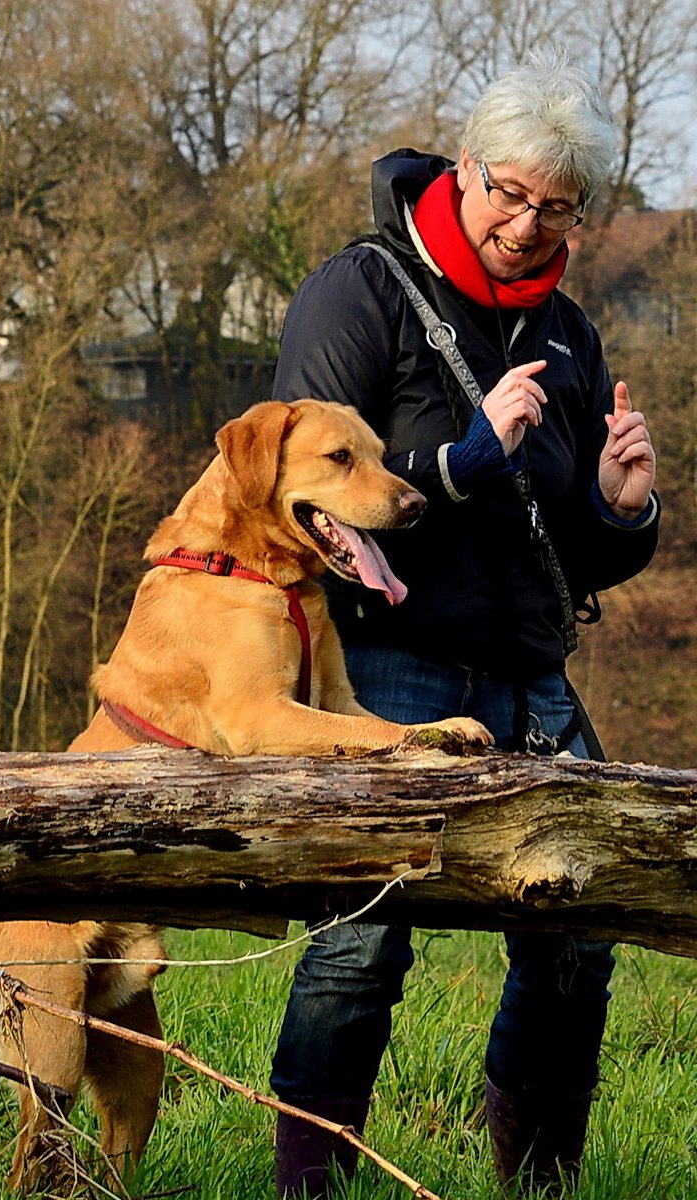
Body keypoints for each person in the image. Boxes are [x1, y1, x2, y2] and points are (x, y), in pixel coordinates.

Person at [268, 51, 659, 1198]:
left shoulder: (570, 332)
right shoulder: (361, 291)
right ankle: (307, 1183)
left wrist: (619, 509)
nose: (526, 226)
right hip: (386, 661)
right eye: (509, 194)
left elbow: (573, 552)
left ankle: (536, 1179)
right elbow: (299, 493)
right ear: (466, 169)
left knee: (579, 932)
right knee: (356, 943)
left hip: (527, 669)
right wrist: (454, 461)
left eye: (556, 207)